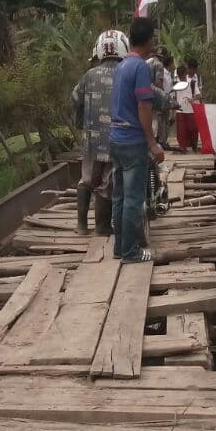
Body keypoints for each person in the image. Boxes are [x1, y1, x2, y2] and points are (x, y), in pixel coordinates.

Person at [109, 18, 164, 263]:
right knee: (133, 199)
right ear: (149, 39)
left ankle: (120, 247)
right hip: (132, 141)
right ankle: (131, 252)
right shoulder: (141, 67)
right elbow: (144, 106)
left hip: (116, 139)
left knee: (119, 197)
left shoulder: (122, 66)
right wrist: (152, 143)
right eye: (153, 36)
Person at [70, 30, 125, 235]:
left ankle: (82, 225)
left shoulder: (89, 75)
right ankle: (102, 226)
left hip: (92, 140)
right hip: (116, 138)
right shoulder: (126, 72)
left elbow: (74, 99)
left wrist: (82, 118)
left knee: (87, 179)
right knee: (106, 182)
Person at [173, 65, 199, 152]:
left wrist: (193, 99)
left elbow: (198, 95)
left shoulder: (192, 83)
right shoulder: (176, 84)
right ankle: (182, 147)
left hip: (190, 109)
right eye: (180, 76)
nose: (181, 78)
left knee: (192, 128)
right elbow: (173, 96)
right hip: (180, 109)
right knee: (181, 130)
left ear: (185, 73)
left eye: (182, 76)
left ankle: (194, 145)